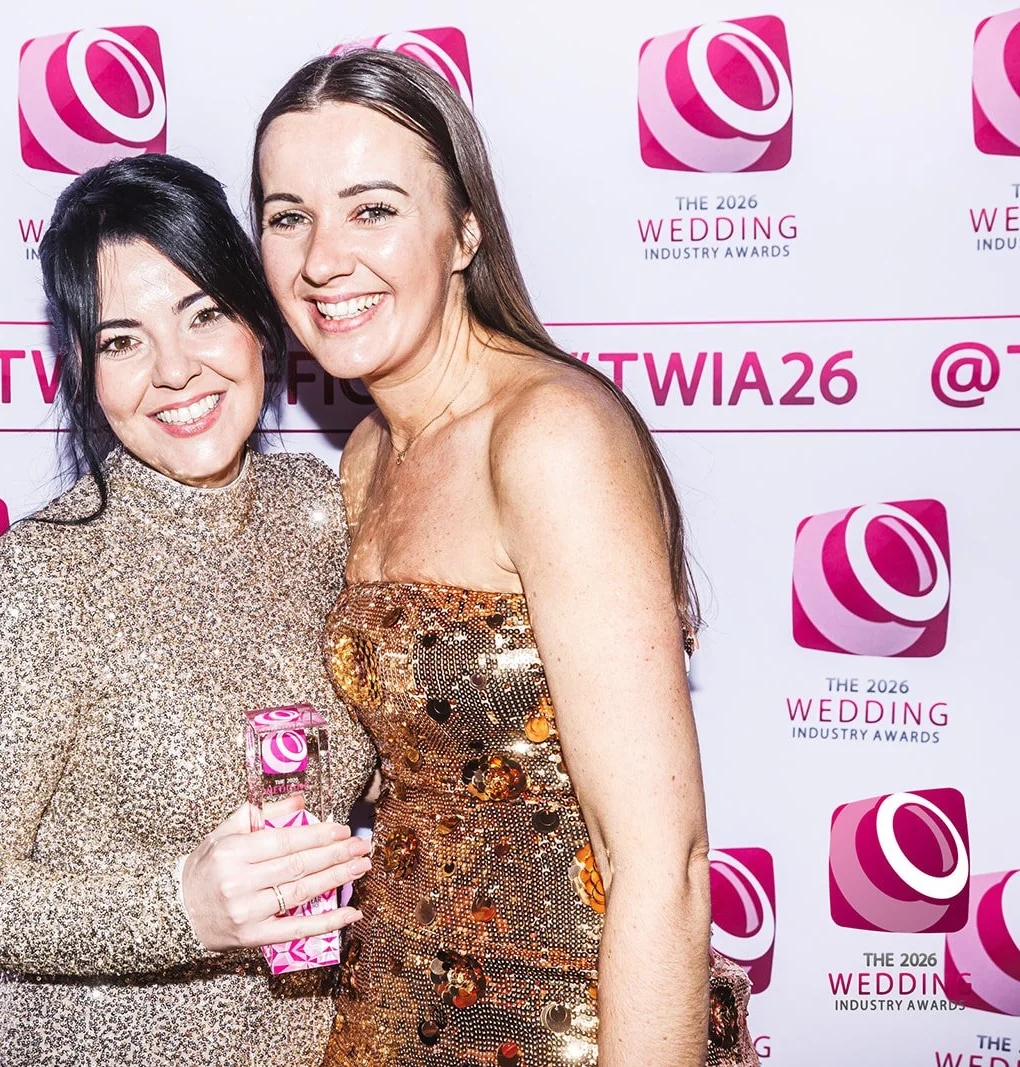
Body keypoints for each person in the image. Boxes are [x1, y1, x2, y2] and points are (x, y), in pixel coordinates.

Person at [250, 51, 760, 1067]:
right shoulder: (366, 455)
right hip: (386, 1012)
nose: (321, 258)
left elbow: (661, 861)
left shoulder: (550, 434)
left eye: (372, 210)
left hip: (563, 1024)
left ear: (463, 232)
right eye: (285, 215)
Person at [0, 153, 377, 1067]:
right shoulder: (45, 575)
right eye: (122, 340)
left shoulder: (319, 511)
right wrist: (179, 908)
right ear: (83, 368)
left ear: (255, 320)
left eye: (202, 315)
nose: (174, 370)